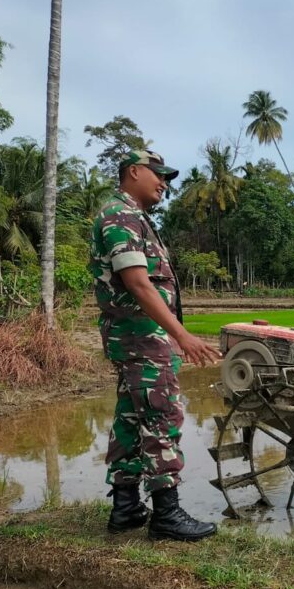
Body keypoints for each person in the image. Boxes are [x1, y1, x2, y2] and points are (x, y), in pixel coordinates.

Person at [90, 149, 221, 541]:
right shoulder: (120, 216)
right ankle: (167, 514)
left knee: (131, 418)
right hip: (142, 336)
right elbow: (138, 284)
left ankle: (126, 508)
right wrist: (182, 336)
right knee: (162, 415)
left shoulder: (135, 217)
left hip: (137, 336)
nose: (164, 183)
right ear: (133, 172)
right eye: (158, 174)